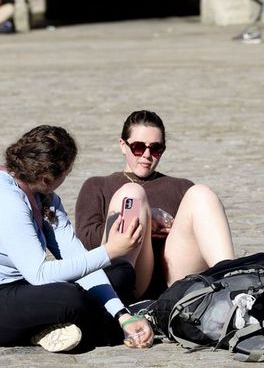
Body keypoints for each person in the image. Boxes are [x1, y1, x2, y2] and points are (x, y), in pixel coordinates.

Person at [0, 125, 154, 353]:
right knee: (71, 298)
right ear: (46, 178)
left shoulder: (45, 196)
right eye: (66, 174)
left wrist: (122, 314)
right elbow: (39, 275)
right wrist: (108, 251)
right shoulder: (3, 199)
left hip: (19, 290)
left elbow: (77, 257)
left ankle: (62, 326)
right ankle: (106, 327)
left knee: (120, 274)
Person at [75, 110, 236, 302]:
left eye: (156, 148)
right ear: (122, 145)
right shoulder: (97, 185)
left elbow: (205, 237)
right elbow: (86, 241)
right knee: (132, 195)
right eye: (138, 147)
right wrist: (145, 220)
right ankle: (118, 296)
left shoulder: (181, 187)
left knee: (202, 193)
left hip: (175, 278)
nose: (146, 155)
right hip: (129, 279)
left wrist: (176, 227)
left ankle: (234, 286)